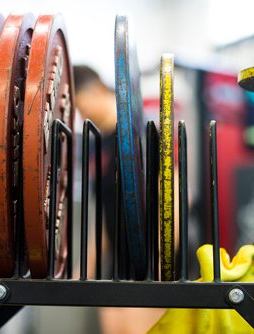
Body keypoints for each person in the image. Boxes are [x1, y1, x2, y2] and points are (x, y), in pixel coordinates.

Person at [73, 65, 164, 333]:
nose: (81, 115)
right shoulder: (98, 144)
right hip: (117, 266)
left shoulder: (142, 133)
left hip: (150, 265)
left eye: (80, 106)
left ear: (97, 90)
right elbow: (106, 214)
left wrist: (157, 273)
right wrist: (85, 271)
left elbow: (171, 198)